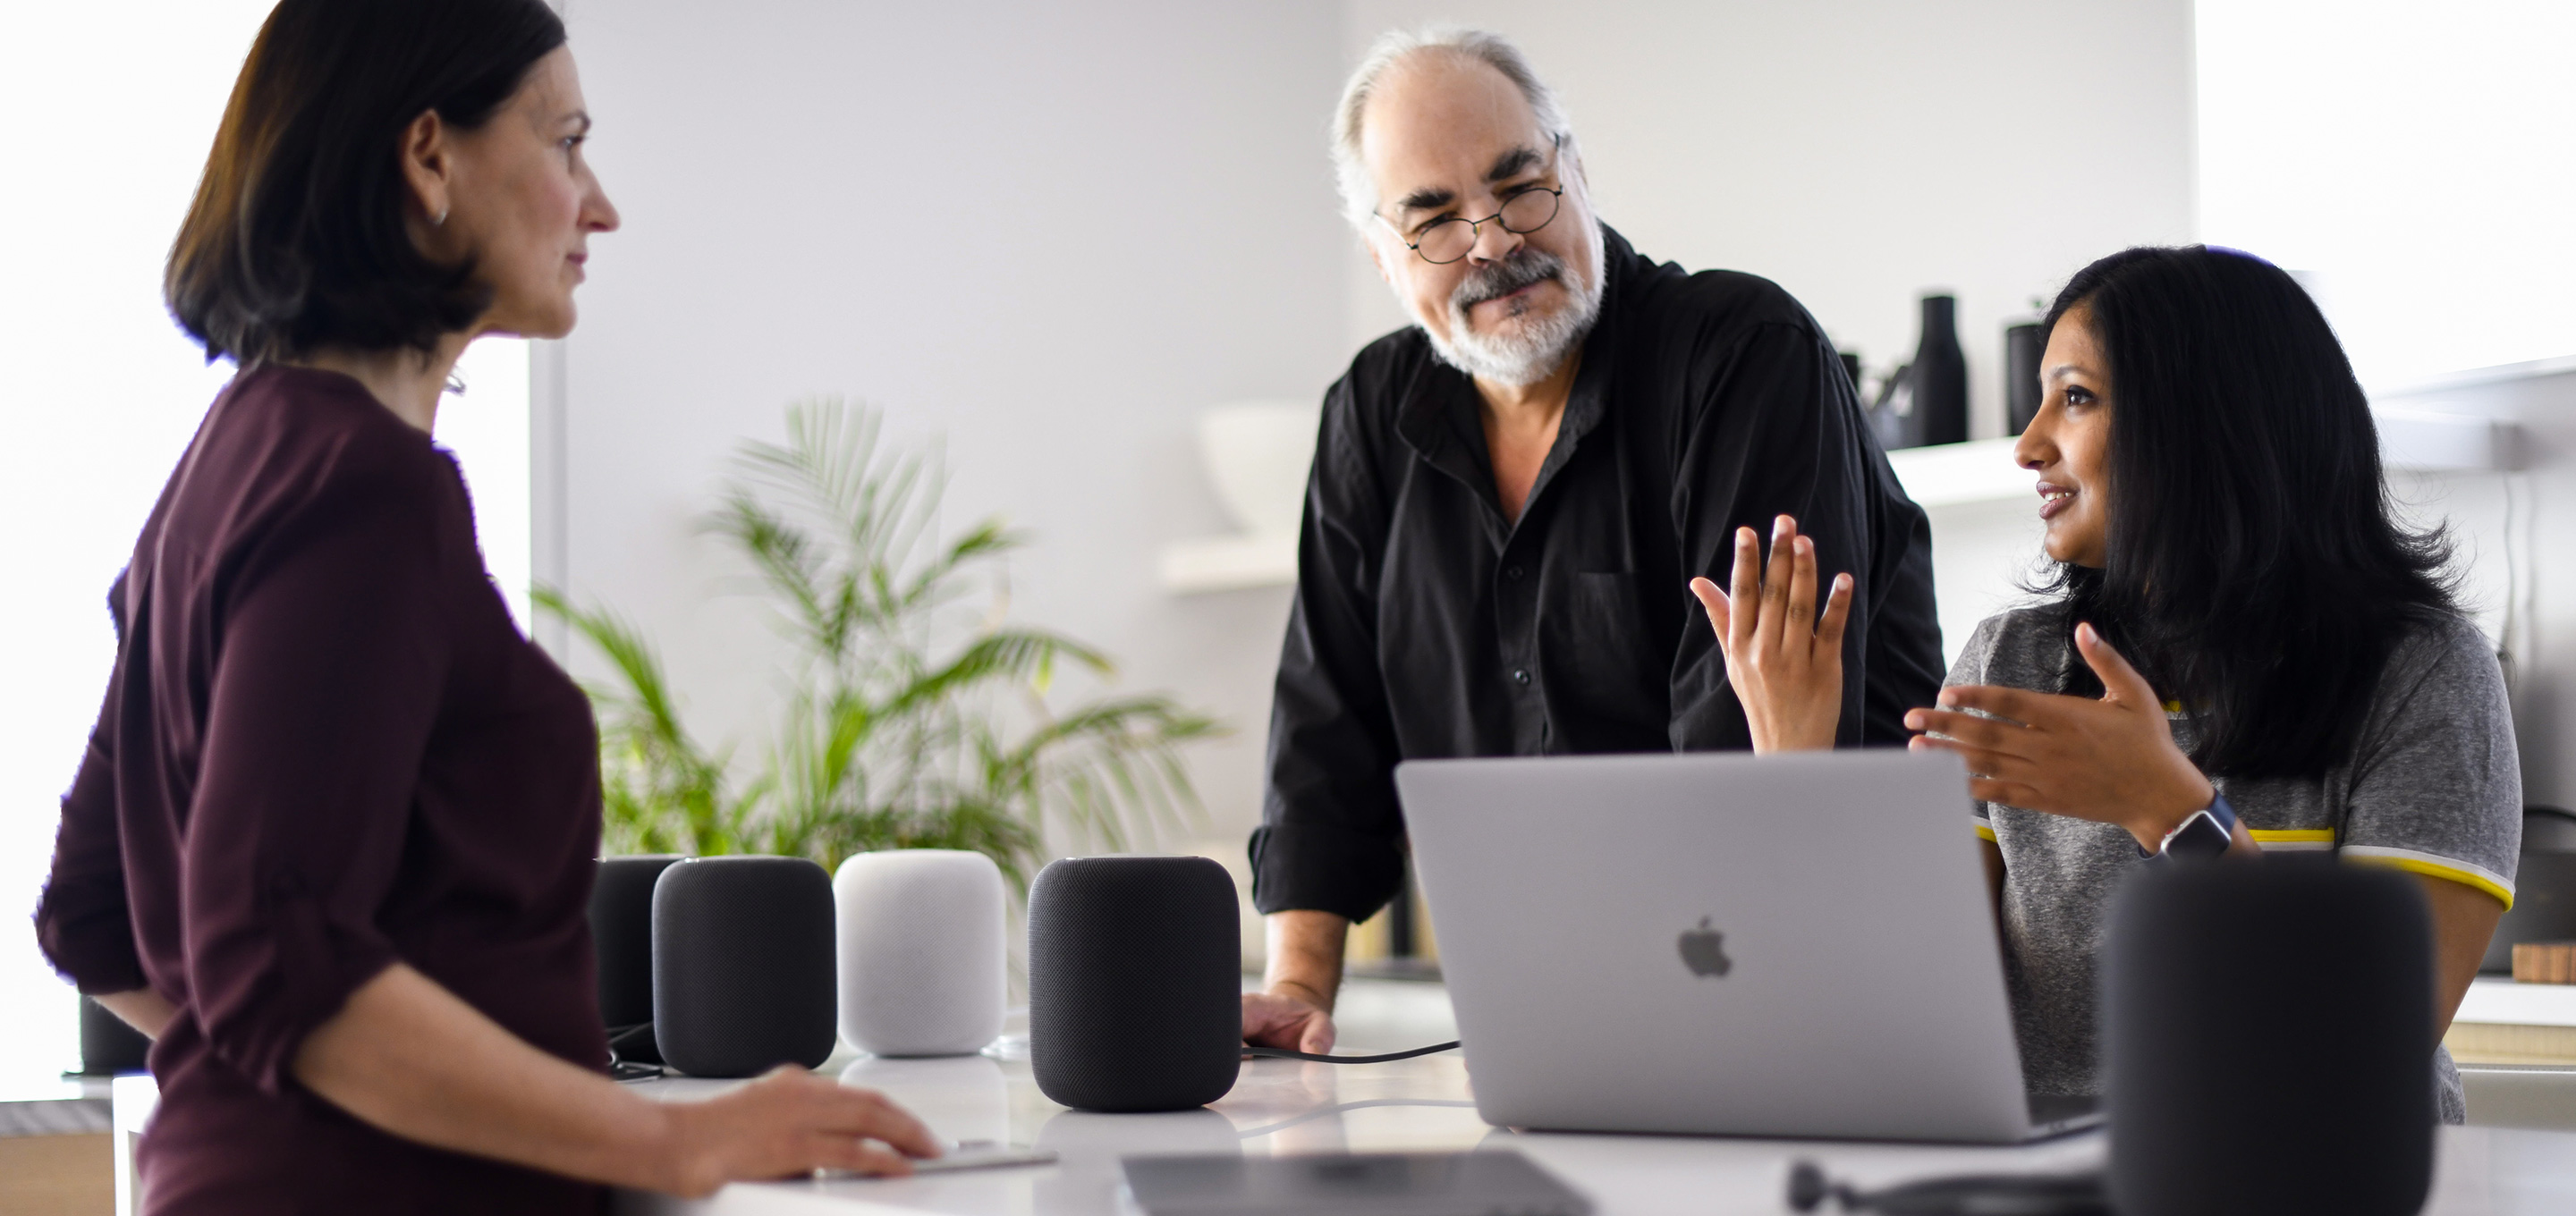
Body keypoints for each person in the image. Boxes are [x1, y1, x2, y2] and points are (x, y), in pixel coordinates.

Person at [31, 3, 938, 1211]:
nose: (598, 203)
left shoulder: (228, 466)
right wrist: (673, 1141)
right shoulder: (362, 489)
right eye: (565, 142)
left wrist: (286, 1068)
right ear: (427, 158)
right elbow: (272, 957)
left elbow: (98, 920)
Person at [1242, 26, 1943, 1053]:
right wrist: (1301, 982)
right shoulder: (1370, 414)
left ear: (1576, 168)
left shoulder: (1743, 355)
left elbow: (1745, 729)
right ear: (1384, 258)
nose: (1490, 243)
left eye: (1518, 186)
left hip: (1815, 985)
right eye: (1433, 219)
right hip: (1551, 1025)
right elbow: (1324, 726)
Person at [1879, 246, 2512, 1122]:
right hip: (2041, 1180)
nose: (2029, 446)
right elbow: (1917, 1013)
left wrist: (2176, 814)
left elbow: (2369, 1039)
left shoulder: (2426, 673)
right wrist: (1790, 749)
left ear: (2205, 423)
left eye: (2075, 397)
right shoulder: (2009, 662)